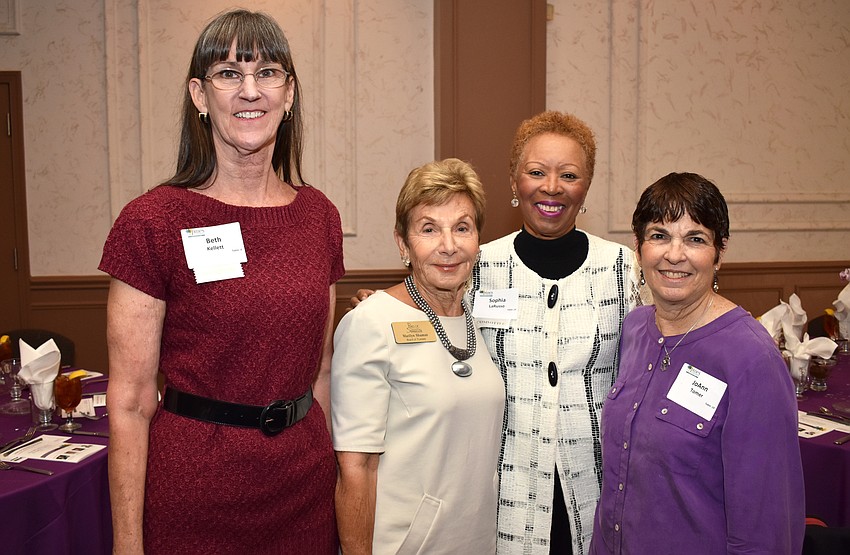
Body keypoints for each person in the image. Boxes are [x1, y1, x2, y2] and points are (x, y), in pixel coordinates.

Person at [99, 9, 343, 554]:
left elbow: (321, 371)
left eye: (268, 72)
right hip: (193, 492)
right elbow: (132, 400)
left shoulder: (318, 216)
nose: (250, 91)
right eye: (229, 74)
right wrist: (127, 543)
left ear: (290, 92)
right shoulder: (153, 220)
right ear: (199, 95)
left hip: (302, 489)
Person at [352, 112, 643, 554]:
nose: (551, 187)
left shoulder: (621, 268)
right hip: (506, 503)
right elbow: (431, 314)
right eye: (536, 172)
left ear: (586, 186)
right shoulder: (476, 264)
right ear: (513, 180)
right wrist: (379, 309)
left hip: (595, 493)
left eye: (568, 174)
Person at [589, 172, 805, 554]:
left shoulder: (752, 359)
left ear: (719, 253)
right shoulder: (635, 328)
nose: (675, 254)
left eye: (695, 239)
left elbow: (767, 527)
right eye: (659, 235)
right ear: (637, 248)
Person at [332, 158, 505, 554]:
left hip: (477, 542)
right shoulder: (372, 323)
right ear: (403, 243)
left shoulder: (481, 316)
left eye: (462, 227)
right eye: (429, 229)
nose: (448, 245)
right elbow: (355, 468)